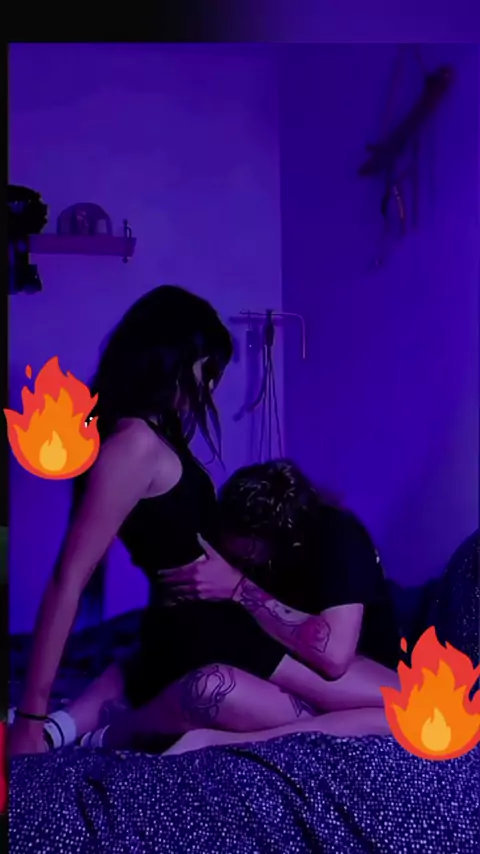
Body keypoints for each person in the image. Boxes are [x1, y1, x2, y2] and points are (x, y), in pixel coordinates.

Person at [33, 458, 399, 753]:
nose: (233, 561)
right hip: (275, 670)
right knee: (195, 674)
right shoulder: (233, 557)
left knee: (402, 714)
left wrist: (238, 588)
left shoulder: (337, 539)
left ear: (258, 545)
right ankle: (76, 728)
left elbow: (333, 657)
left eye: (242, 556)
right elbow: (155, 650)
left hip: (360, 674)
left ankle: (153, 734)